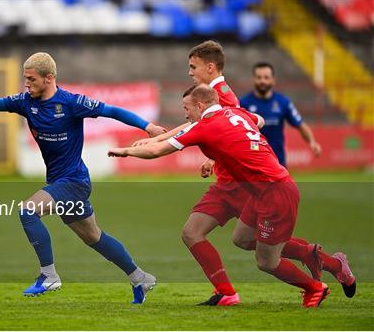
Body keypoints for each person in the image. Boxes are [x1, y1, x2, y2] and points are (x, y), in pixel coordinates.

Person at [133, 42, 355, 305]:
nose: (190, 72)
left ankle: (314, 268)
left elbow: (221, 131)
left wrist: (154, 141)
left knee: (257, 246)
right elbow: (216, 130)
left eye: (193, 67)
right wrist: (213, 159)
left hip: (241, 185)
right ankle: (235, 290)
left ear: (209, 67)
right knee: (230, 237)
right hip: (229, 182)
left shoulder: (221, 95)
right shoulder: (213, 93)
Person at [0, 52, 166, 304]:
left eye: (31, 79)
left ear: (48, 78)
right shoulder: (26, 102)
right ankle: (140, 278)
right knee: (93, 237)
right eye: (24, 79)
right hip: (60, 183)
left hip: (74, 182)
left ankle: (48, 275)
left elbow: (112, 111)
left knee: (28, 211)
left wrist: (147, 126)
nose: (26, 84)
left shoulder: (72, 103)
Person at [109, 85, 335, 307]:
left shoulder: (206, 125)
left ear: (200, 105)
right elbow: (259, 121)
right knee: (240, 239)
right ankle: (228, 292)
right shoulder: (237, 113)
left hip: (275, 192)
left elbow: (157, 152)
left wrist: (126, 151)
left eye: (186, 108)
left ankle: (314, 287)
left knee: (266, 262)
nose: (185, 113)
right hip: (261, 191)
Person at [240, 61, 322, 167]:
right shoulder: (243, 103)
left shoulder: (283, 102)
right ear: (254, 80)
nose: (262, 81)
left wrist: (312, 142)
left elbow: (300, 125)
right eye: (259, 77)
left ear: (273, 80)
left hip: (278, 162)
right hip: (253, 163)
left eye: (266, 77)